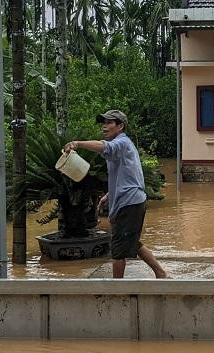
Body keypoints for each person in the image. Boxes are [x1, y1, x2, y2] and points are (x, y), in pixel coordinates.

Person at [63, 109, 170, 279]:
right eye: (103, 123)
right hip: (129, 201)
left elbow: (105, 146)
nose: (104, 126)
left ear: (120, 126)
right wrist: (109, 195)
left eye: (109, 123)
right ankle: (161, 273)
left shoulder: (122, 143)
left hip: (129, 202)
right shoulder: (122, 146)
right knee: (131, 242)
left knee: (118, 250)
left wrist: (77, 144)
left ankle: (116, 287)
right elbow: (127, 176)